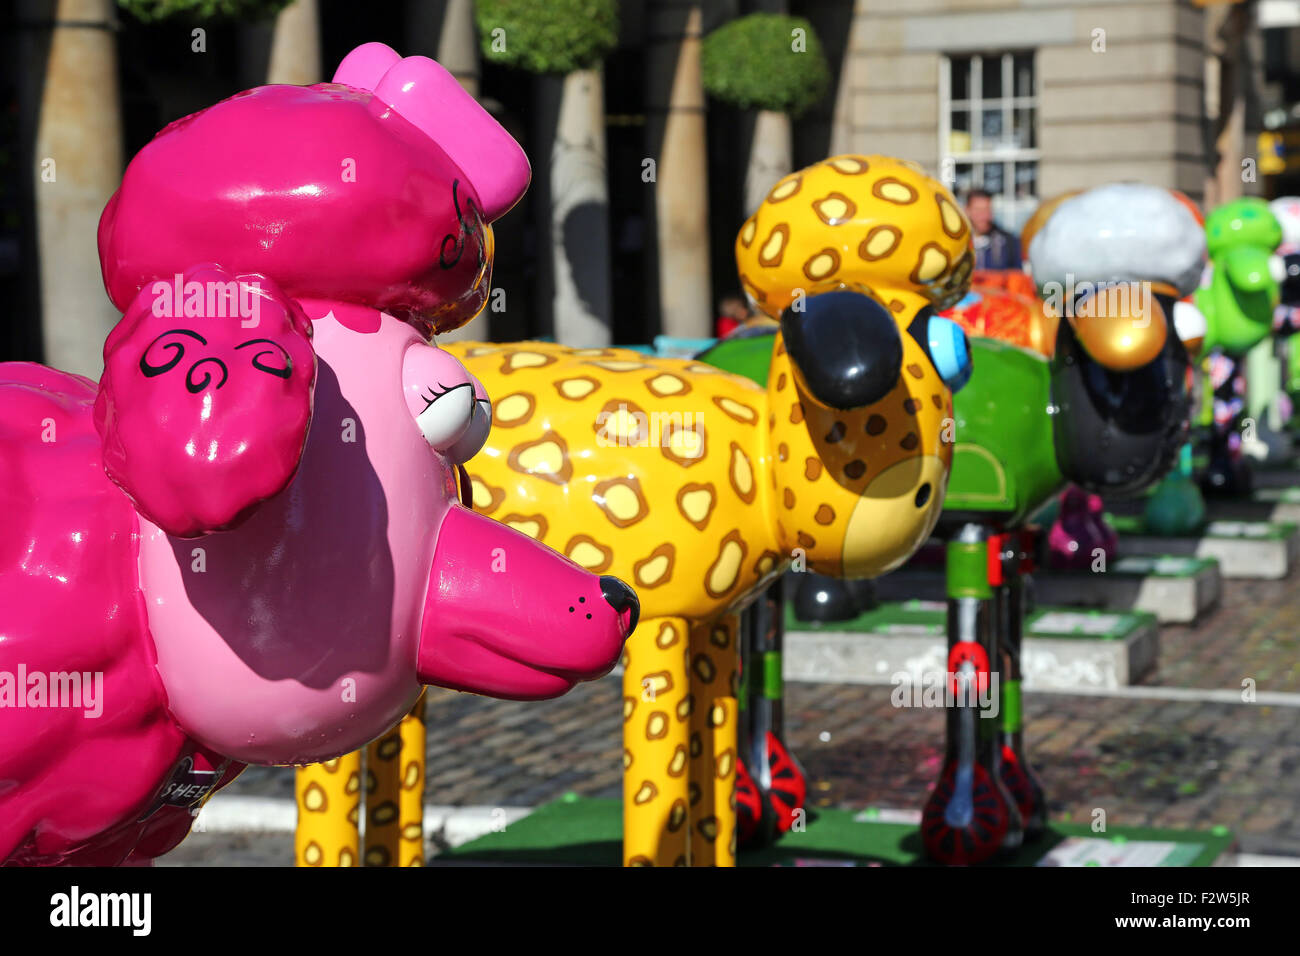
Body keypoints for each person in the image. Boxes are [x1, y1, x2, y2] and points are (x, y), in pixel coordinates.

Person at [965, 188, 1021, 271]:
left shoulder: (1009, 242)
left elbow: (1018, 277)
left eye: (987, 210)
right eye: (978, 210)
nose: (983, 216)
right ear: (967, 210)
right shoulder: (959, 243)